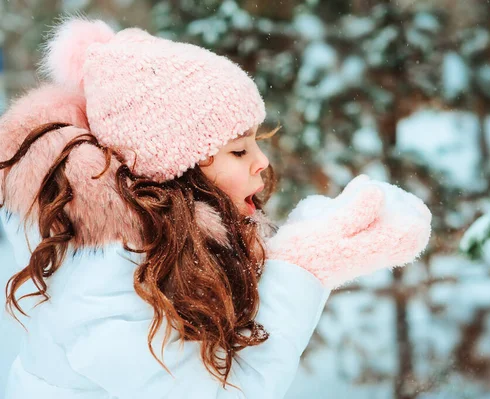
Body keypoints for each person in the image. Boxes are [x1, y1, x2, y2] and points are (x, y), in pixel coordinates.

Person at [0, 17, 432, 399]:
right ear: (175, 169)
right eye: (239, 152)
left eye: (256, 143)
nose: (263, 163)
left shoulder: (157, 238)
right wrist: (304, 270)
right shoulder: (100, 273)